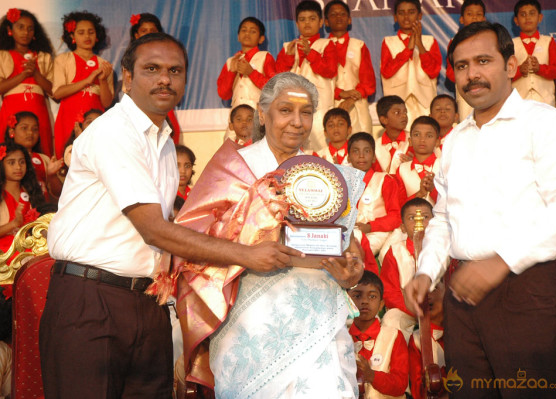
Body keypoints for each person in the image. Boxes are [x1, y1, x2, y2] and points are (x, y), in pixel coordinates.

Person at [40, 33, 302, 399]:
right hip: (91, 300)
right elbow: (154, 230)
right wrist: (247, 255)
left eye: (174, 71)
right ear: (127, 78)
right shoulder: (114, 132)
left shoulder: (162, 140)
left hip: (147, 302)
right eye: (152, 69)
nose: (165, 79)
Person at [405, 21, 556, 397]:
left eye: (483, 61)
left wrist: (502, 261)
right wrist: (426, 272)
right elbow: (442, 217)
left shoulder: (544, 124)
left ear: (510, 66)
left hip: (528, 290)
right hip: (463, 296)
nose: (472, 74)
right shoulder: (455, 139)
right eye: (461, 66)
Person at [170, 72, 364, 398]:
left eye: (305, 113)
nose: (297, 122)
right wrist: (253, 246)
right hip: (248, 323)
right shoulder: (233, 168)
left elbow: (345, 243)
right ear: (263, 113)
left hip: (316, 320)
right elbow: (190, 241)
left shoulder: (324, 172)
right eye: (285, 110)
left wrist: (351, 271)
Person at [276, 0, 337, 152]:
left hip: (320, 107)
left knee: (322, 148)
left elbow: (330, 71)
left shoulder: (327, 44)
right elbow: (277, 78)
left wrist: (310, 53)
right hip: (293, 108)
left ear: (321, 22)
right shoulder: (288, 47)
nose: (307, 23)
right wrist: (289, 57)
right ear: (296, 23)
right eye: (302, 19)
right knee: (295, 149)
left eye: (312, 19)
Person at [53, 11, 114, 158]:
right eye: (81, 32)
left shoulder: (104, 65)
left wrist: (103, 80)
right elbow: (57, 93)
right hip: (68, 118)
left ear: (97, 35)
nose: (87, 36)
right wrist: (87, 81)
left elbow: (106, 102)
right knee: (67, 159)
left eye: (91, 32)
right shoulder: (63, 60)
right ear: (72, 37)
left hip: (95, 121)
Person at [0, 8, 54, 156]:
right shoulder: (3, 56)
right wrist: (23, 75)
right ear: (10, 30)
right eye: (20, 27)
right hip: (11, 110)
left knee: (41, 152)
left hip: (38, 111)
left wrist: (36, 74)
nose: (26, 32)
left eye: (30, 29)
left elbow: (55, 93)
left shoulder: (43, 58)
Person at [348, 271, 409, 398]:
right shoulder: (342, 338)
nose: (364, 301)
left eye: (372, 296)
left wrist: (371, 375)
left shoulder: (394, 336)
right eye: (357, 296)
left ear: (381, 304)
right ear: (347, 301)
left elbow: (400, 384)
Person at [379, 198, 433, 340]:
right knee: (391, 320)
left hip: (438, 311)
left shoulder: (444, 250)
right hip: (407, 309)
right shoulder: (395, 252)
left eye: (425, 217)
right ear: (402, 227)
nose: (419, 222)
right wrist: (413, 309)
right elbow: (390, 292)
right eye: (412, 218)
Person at [381, 0, 441, 128]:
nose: (406, 17)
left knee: (425, 134)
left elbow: (433, 71)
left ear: (419, 16)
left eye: (411, 12)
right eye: (402, 13)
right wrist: (408, 49)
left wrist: (419, 44)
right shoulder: (388, 42)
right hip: (398, 103)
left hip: (425, 101)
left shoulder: (429, 41)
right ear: (395, 18)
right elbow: (386, 72)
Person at [349, 132, 403, 269]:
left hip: (377, 232)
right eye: (356, 151)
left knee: (355, 250)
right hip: (352, 231)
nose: (361, 156)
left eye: (366, 151)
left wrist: (370, 226)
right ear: (349, 157)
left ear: (374, 157)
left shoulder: (384, 180)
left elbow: (395, 216)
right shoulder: (343, 182)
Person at [128, 13, 181, 144]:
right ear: (136, 35)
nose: (148, 34)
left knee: (169, 138)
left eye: (152, 30)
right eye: (144, 31)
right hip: (140, 105)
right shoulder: (130, 57)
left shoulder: (169, 55)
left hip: (163, 101)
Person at [324, 0, 376, 134]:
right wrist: (340, 93)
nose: (338, 17)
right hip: (329, 105)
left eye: (342, 14)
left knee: (361, 145)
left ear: (349, 20)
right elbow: (318, 83)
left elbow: (368, 82)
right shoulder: (319, 47)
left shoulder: (359, 46)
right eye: (333, 15)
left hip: (357, 104)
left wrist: (350, 99)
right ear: (326, 22)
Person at [511, 0, 556, 107]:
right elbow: (504, 74)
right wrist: (519, 70)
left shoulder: (548, 41)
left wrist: (540, 69)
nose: (527, 17)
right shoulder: (511, 44)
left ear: (540, 18)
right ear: (516, 20)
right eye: (523, 14)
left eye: (532, 13)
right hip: (518, 101)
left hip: (546, 101)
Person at [217, 16, 275, 112]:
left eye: (253, 31)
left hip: (259, 116)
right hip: (237, 117)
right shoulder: (230, 61)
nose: (247, 34)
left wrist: (251, 73)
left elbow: (273, 89)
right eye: (244, 30)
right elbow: (223, 94)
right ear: (238, 36)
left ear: (261, 38)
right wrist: (231, 73)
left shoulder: (265, 57)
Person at [4, 111, 63, 201]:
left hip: (43, 212)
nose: (30, 133)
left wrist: (52, 176)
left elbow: (59, 194)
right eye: (24, 128)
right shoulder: (3, 157)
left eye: (35, 129)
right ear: (12, 132)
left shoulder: (44, 159)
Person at [0, 142, 45, 253]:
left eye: (22, 162)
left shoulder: (32, 191)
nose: (18, 167)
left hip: (32, 249)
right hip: (4, 254)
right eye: (11, 163)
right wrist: (13, 224)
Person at [445, 0, 486, 121]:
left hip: (488, 91)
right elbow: (451, 74)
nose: (474, 17)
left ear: (484, 19)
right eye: (469, 14)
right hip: (465, 94)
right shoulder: (455, 42)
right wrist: (467, 77)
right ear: (461, 19)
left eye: (478, 14)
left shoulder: (491, 41)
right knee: (467, 126)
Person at [407, 282, 445, 399]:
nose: (427, 296)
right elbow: (417, 389)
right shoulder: (417, 339)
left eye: (434, 289)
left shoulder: (462, 331)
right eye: (420, 293)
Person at [395, 116, 440, 204]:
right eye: (417, 135)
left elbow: (454, 203)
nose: (422, 139)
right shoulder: (402, 169)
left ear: (437, 142)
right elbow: (399, 204)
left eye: (429, 136)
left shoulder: (445, 166)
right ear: (410, 141)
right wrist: (419, 194)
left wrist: (433, 190)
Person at [373, 95, 411, 175]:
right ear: (384, 120)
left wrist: (412, 164)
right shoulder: (375, 146)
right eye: (397, 112)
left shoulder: (413, 140)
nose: (404, 115)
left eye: (405, 112)